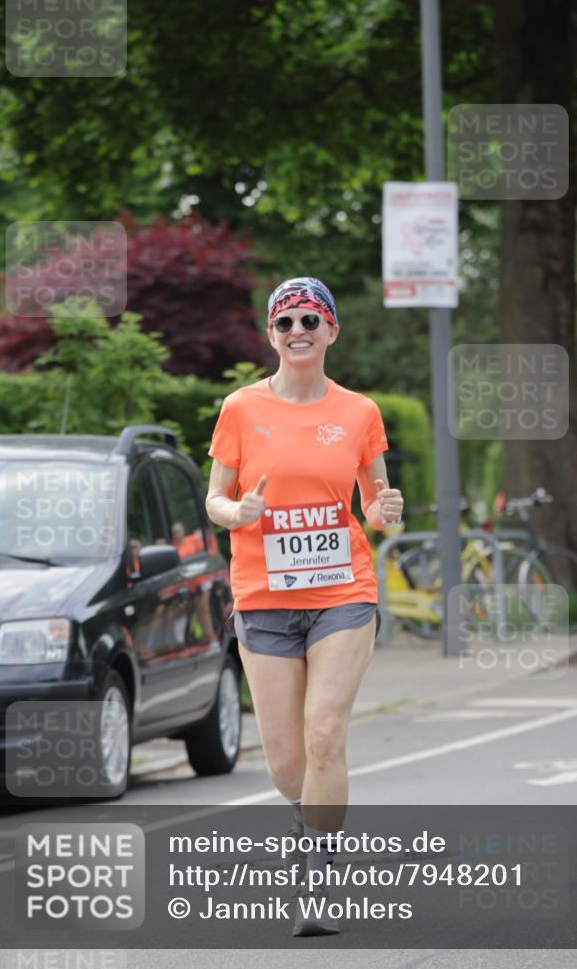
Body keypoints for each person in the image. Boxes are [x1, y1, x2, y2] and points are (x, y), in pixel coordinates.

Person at [205, 276, 404, 937]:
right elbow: (215, 500)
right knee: (287, 758)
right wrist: (240, 511)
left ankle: (318, 877)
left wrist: (384, 512)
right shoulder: (239, 408)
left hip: (340, 592)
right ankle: (305, 814)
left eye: (309, 321)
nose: (297, 332)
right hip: (263, 597)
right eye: (285, 322)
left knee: (325, 732)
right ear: (270, 333)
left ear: (330, 333)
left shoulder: (359, 413)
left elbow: (375, 507)